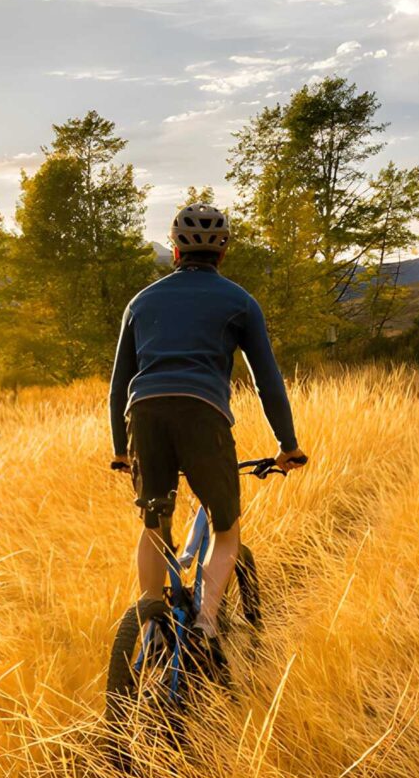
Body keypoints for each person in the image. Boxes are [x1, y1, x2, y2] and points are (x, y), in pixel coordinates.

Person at [108, 201, 307, 653]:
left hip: (145, 416)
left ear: (175, 250)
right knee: (225, 528)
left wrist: (121, 449)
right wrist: (287, 445)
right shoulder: (239, 301)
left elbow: (119, 385)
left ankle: (151, 625)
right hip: (203, 417)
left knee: (155, 524)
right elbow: (267, 382)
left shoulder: (140, 302)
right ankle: (206, 624)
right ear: (223, 252)